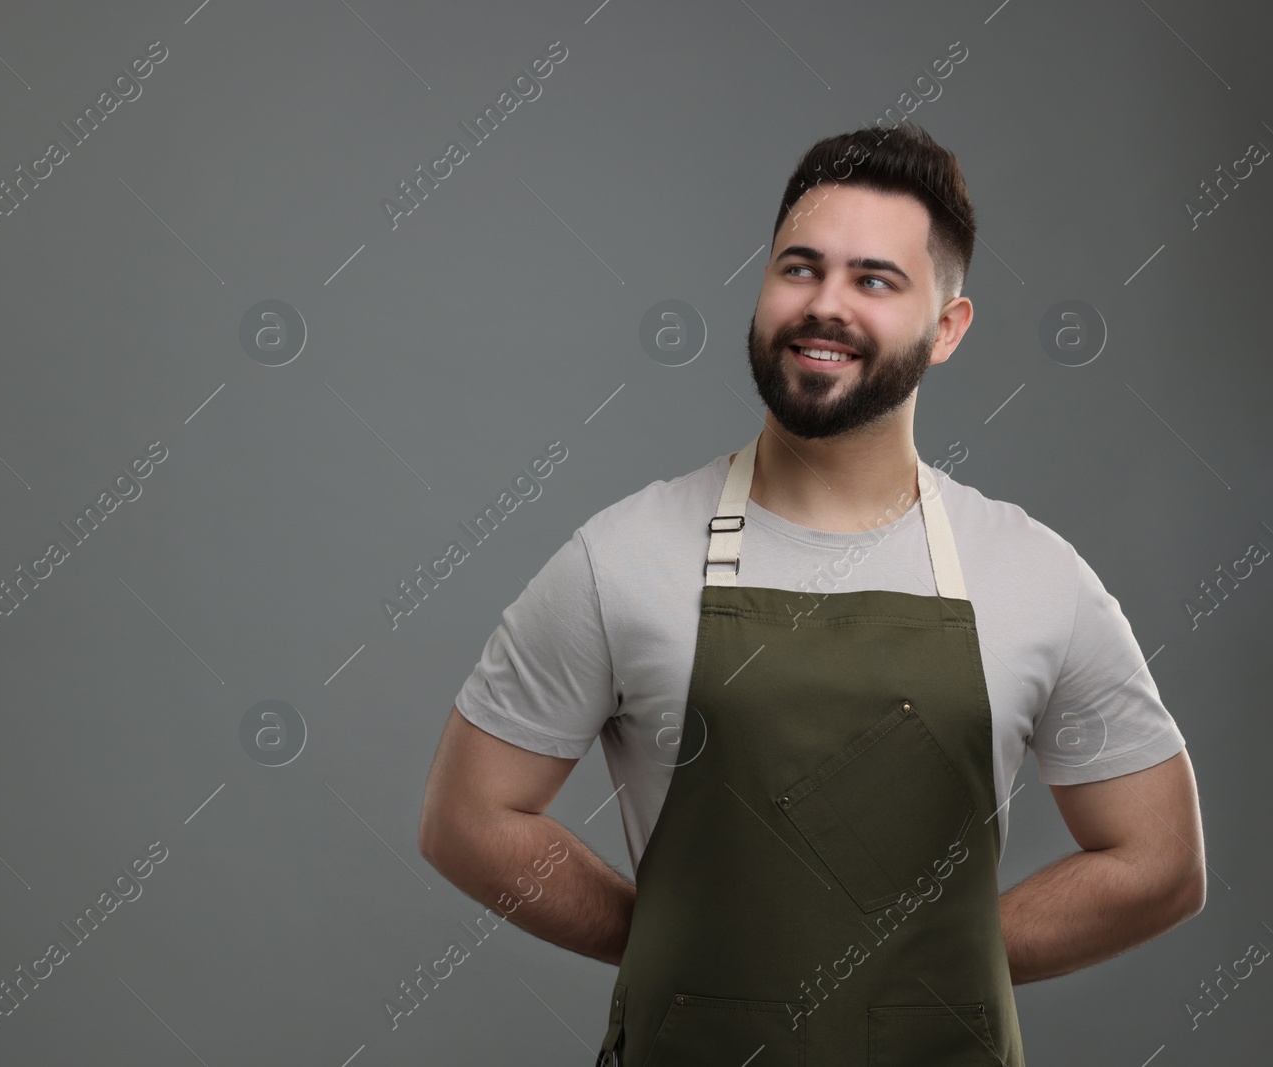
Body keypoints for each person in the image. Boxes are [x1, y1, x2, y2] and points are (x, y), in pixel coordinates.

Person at [416, 123, 1206, 1065]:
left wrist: (932, 966)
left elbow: (1160, 863)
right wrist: (676, 942)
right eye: (800, 269)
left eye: (875, 279)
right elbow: (466, 819)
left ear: (946, 328)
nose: (825, 305)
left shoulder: (1034, 575)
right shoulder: (621, 556)